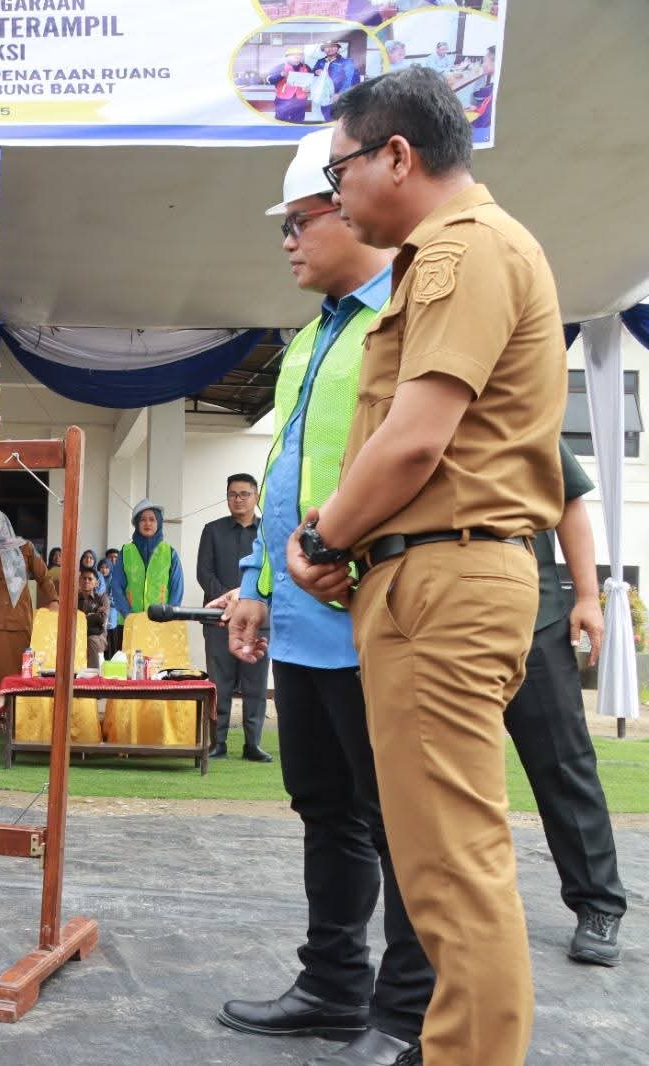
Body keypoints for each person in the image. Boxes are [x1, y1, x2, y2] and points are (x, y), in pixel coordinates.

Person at [281, 68, 567, 1064]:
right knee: (439, 863)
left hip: (447, 583)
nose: (338, 191)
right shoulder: (447, 256)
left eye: (340, 168)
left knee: (451, 869)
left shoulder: (462, 251)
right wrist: (344, 537)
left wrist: (323, 540)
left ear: (396, 155)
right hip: (423, 576)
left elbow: (414, 441)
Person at [216, 127, 431, 1066]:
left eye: (301, 221)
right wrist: (257, 588)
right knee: (324, 807)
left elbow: (416, 460)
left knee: (401, 824)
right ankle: (333, 988)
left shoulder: (414, 313)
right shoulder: (308, 339)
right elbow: (285, 471)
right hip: (301, 619)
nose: (290, 241)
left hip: (375, 613)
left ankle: (408, 1015)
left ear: (349, 212)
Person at [505, 443, 626, 966]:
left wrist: (585, 597)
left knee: (563, 766)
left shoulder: (521, 404)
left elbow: (569, 502)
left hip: (536, 619)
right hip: (441, 622)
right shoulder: (398, 408)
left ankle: (598, 904)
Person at [197, 474, 272, 762]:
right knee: (220, 683)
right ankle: (219, 742)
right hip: (218, 618)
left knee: (255, 682)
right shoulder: (212, 530)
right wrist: (230, 602)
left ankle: (253, 743)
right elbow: (204, 573)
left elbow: (271, 573)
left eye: (244, 494)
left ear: (256, 496)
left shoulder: (268, 533)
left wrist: (247, 602)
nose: (238, 499)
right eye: (232, 494)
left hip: (259, 619)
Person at [0, 507, 57, 731]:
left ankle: (17, 715)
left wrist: (53, 600)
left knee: (19, 667)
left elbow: (44, 575)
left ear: (2, 520)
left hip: (19, 616)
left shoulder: (25, 547)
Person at [108, 500, 183, 651]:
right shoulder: (126, 551)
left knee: (158, 670)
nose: (147, 523)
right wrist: (129, 616)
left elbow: (177, 589)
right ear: (136, 523)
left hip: (160, 624)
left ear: (159, 523)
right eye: (142, 519)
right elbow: (116, 587)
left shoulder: (170, 553)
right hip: (129, 622)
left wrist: (167, 615)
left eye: (152, 519)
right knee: (130, 669)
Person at [314, 40, 361, 122]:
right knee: (327, 120)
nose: (330, 49)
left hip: (339, 98)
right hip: (324, 98)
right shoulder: (320, 62)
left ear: (338, 48)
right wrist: (316, 72)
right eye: (327, 47)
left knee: (341, 122)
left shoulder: (347, 62)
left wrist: (340, 93)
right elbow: (313, 76)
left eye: (333, 46)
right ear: (323, 49)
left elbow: (351, 79)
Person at [268, 46, 314, 124]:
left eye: (299, 54)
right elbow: (270, 80)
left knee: (298, 122)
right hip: (283, 100)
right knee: (281, 122)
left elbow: (312, 82)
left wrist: (309, 88)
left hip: (300, 100)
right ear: (287, 57)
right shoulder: (280, 67)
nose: (296, 56)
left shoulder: (307, 67)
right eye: (293, 55)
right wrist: (280, 75)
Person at [76, 567, 108, 666]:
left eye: (90, 579)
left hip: (97, 635)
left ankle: (94, 676)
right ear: (79, 581)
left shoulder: (102, 599)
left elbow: (102, 619)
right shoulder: (73, 599)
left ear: (96, 583)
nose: (86, 581)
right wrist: (91, 616)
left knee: (91, 640)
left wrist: (81, 618)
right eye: (84, 578)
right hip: (76, 634)